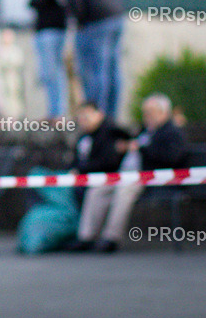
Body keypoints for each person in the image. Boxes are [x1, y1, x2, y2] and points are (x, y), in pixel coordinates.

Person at [72, 94, 187, 253]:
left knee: (124, 190)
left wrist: (142, 149)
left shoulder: (172, 132)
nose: (146, 117)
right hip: (130, 175)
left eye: (150, 112)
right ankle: (86, 237)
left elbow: (171, 158)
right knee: (97, 190)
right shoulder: (144, 130)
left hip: (154, 178)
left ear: (163, 113)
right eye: (145, 113)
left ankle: (111, 237)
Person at [60, 0, 126, 118]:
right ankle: (111, 114)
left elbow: (74, 3)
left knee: (96, 70)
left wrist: (79, 22)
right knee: (113, 68)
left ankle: (96, 115)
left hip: (96, 22)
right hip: (117, 17)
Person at [29, 0, 69, 118]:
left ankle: (57, 112)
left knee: (53, 73)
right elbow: (33, 1)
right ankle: (55, 111)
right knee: (48, 73)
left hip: (53, 31)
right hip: (45, 30)